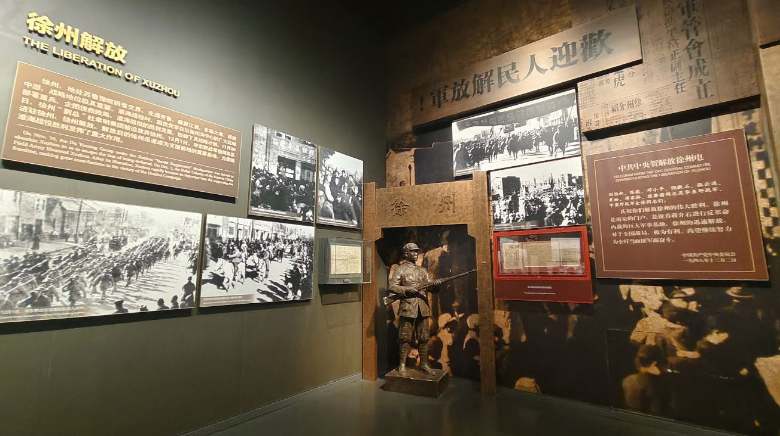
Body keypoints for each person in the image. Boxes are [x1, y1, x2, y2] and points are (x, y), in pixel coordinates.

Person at [388, 242, 444, 375]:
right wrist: (407, 289)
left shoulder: (422, 270)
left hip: (422, 307)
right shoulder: (400, 269)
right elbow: (392, 286)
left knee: (424, 337)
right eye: (412, 251)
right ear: (406, 254)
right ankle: (402, 365)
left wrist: (436, 285)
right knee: (404, 337)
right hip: (408, 307)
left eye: (416, 251)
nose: (415, 254)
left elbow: (431, 288)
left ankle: (424, 364)